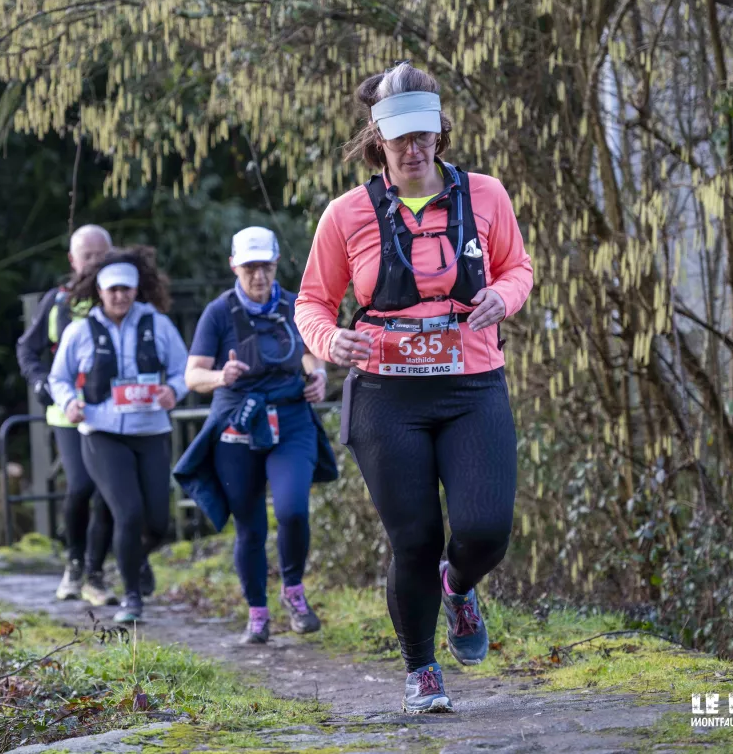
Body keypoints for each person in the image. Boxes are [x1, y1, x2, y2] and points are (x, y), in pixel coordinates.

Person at [294, 62, 533, 713]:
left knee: (485, 528)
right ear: (379, 140)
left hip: (471, 386)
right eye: (400, 139)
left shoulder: (485, 195)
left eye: (423, 136)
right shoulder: (346, 214)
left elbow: (517, 267)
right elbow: (313, 301)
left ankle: (459, 587)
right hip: (386, 397)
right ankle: (422, 668)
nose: (413, 150)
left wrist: (504, 297)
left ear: (438, 133)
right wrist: (329, 340)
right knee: (415, 539)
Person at [173, 227, 338, 645]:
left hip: (292, 418)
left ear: (276, 263)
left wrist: (318, 374)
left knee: (292, 510)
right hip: (238, 423)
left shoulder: (294, 305)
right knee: (249, 526)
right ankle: (257, 613)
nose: (259, 276)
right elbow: (192, 376)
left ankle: (293, 590)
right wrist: (220, 376)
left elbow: (312, 351)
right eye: (250, 268)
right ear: (234, 266)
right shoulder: (218, 313)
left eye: (265, 266)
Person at [47, 246, 190, 623]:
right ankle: (131, 598)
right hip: (102, 433)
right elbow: (59, 378)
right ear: (100, 291)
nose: (120, 296)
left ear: (136, 289)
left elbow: (183, 369)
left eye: (126, 289)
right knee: (127, 512)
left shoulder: (158, 325)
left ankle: (136, 558)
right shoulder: (80, 330)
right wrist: (69, 403)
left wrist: (173, 391)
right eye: (112, 290)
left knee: (157, 522)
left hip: (151, 431)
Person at [16, 224, 121, 607]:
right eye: (87, 256)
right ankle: (74, 562)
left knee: (109, 490)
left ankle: (96, 573)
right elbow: (27, 349)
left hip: (113, 410)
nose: (94, 262)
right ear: (72, 260)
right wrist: (41, 382)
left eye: (101, 255)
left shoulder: (120, 296)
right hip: (67, 412)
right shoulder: (57, 301)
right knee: (80, 485)